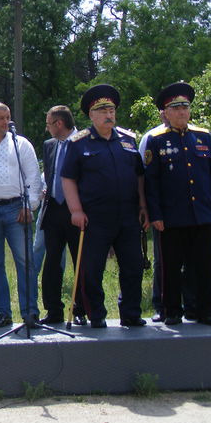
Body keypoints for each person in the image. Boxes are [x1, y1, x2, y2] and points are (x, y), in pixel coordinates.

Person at [61, 84, 149, 328]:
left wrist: (143, 205)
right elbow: (68, 178)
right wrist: (76, 210)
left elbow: (139, 175)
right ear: (91, 115)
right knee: (92, 269)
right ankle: (95, 314)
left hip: (128, 216)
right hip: (95, 217)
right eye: (102, 111)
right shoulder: (79, 143)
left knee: (133, 266)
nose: (108, 115)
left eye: (111, 110)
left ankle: (131, 312)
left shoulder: (129, 140)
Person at [144, 82, 211, 326]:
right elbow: (152, 182)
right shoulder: (157, 140)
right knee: (171, 267)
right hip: (172, 217)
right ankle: (172, 310)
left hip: (202, 213)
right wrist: (155, 213)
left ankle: (204, 310)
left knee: (203, 266)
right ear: (166, 112)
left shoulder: (203, 136)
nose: (182, 112)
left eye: (185, 107)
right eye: (176, 108)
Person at [0, 102, 42, 328]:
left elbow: (33, 177)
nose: (6, 122)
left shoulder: (20, 144)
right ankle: (2, 313)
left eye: (8, 117)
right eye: (0, 118)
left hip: (16, 209)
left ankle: (30, 313)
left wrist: (29, 206)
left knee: (26, 262)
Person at [37, 106, 86, 326]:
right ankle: (53, 310)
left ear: (58, 124)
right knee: (52, 263)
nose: (46, 128)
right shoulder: (49, 145)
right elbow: (50, 173)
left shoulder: (84, 141)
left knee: (81, 262)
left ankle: (82, 309)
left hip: (77, 210)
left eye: (48, 124)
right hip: (54, 209)